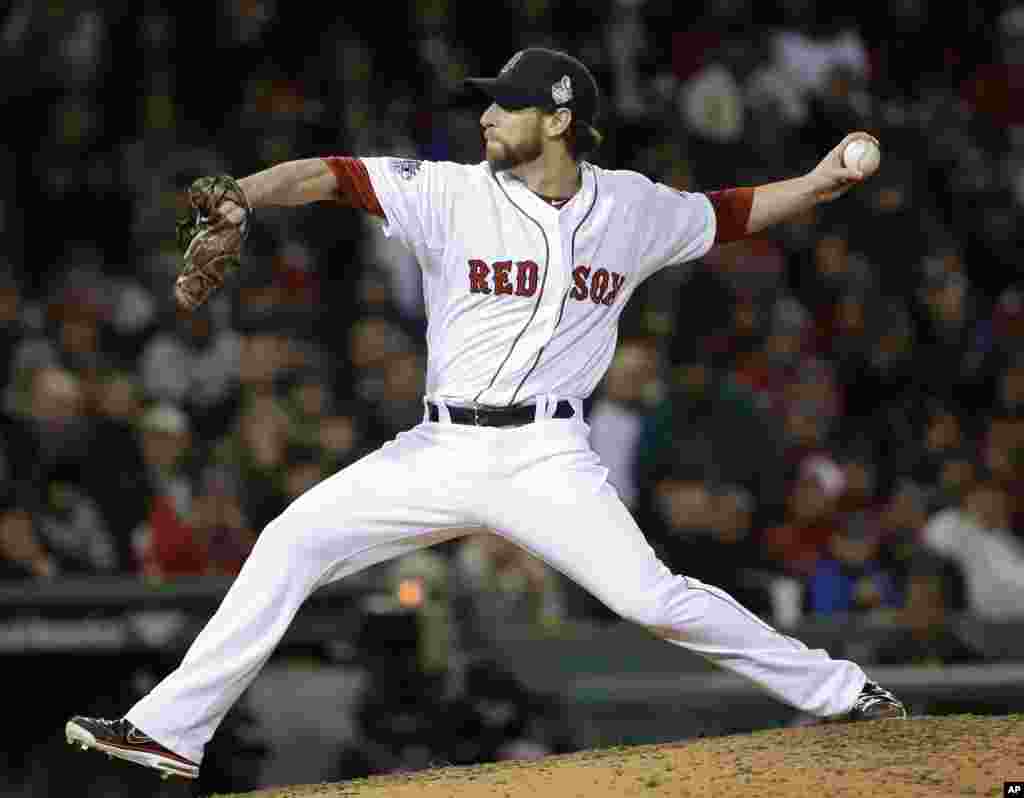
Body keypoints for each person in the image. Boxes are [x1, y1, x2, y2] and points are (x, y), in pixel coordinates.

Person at [66, 47, 906, 782]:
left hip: (547, 456)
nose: (489, 117)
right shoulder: (450, 193)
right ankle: (168, 733)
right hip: (438, 447)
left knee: (653, 598)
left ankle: (843, 691)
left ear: (560, 117)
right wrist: (243, 196)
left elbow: (729, 212)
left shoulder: (632, 207)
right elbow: (330, 175)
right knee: (292, 540)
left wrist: (822, 181)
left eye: (506, 103)